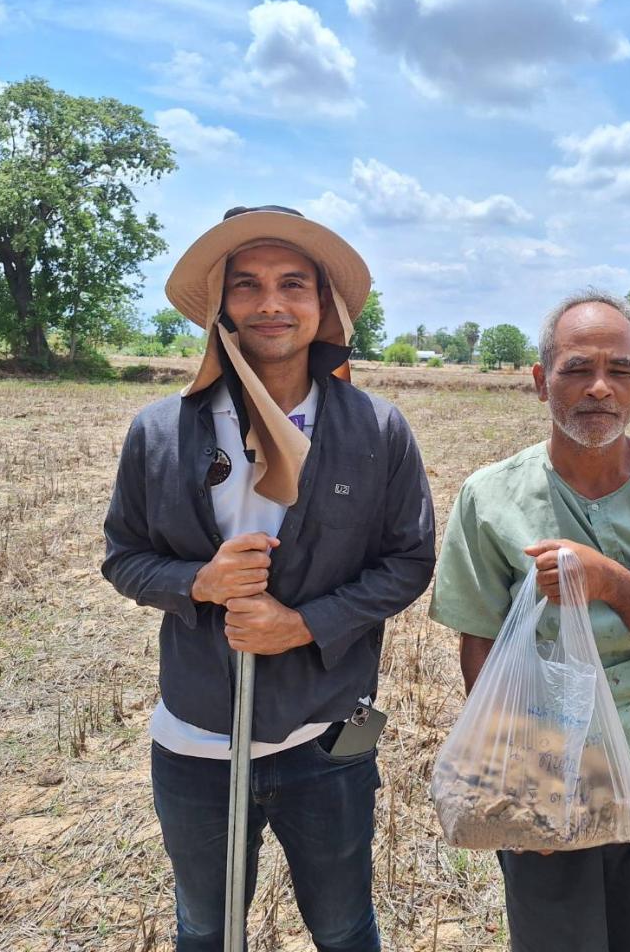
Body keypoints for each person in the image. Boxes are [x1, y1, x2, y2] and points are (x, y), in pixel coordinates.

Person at [102, 205, 435, 952]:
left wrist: (304, 624)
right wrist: (199, 581)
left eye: (294, 284)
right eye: (247, 285)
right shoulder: (160, 432)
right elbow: (123, 556)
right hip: (195, 741)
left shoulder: (378, 431)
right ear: (222, 306)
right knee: (207, 929)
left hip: (332, 733)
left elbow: (409, 562)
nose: (271, 304)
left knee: (346, 925)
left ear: (325, 307)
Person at [429, 288, 630, 952]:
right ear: (541, 380)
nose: (599, 388)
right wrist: (517, 785)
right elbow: (481, 646)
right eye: (577, 368)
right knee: (554, 937)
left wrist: (607, 581)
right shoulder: (491, 497)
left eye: (619, 369)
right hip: (544, 749)